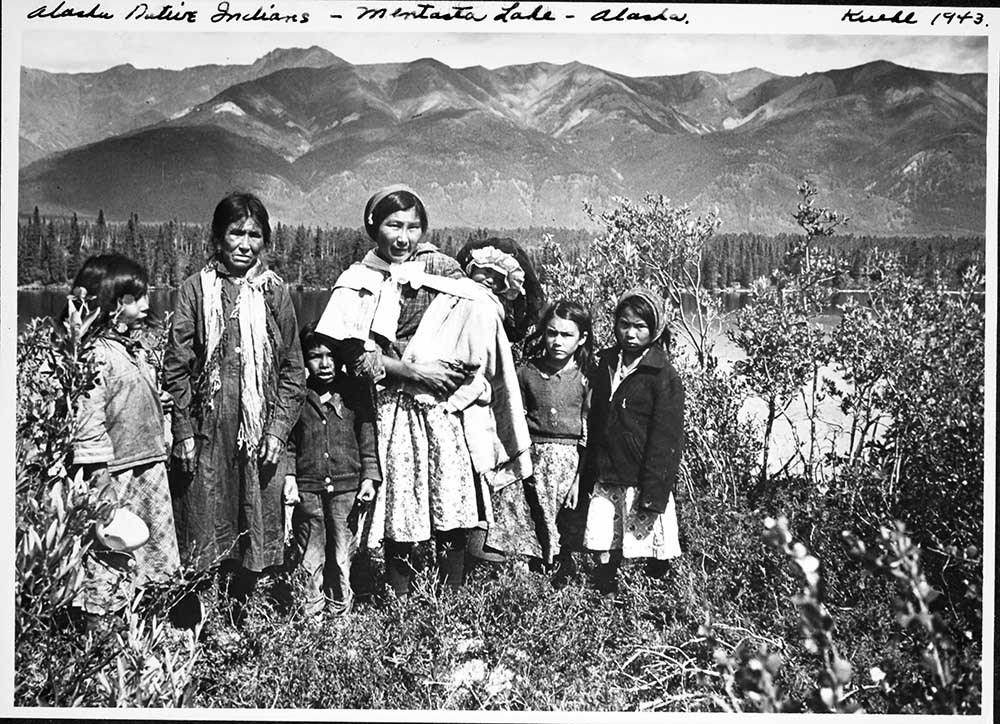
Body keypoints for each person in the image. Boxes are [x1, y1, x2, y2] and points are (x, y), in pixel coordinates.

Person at [314, 186, 485, 595]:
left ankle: (452, 599)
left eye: (413, 226)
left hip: (442, 406)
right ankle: (400, 601)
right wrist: (413, 372)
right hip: (390, 405)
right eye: (394, 225)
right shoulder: (358, 279)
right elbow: (354, 355)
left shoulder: (439, 269)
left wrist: (444, 370)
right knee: (402, 503)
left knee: (450, 496)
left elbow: (475, 317)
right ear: (375, 227)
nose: (403, 237)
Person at [163, 192, 305, 624]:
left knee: (252, 523)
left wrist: (278, 431)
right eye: (236, 233)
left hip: (258, 435)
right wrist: (184, 431)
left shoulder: (275, 294)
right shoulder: (195, 290)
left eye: (254, 235)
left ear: (265, 241)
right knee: (205, 521)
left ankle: (237, 615)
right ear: (217, 237)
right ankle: (198, 623)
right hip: (208, 434)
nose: (245, 244)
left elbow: (293, 370)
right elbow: (177, 368)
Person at [69, 254, 181, 617]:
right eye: (137, 298)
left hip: (146, 466)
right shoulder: (95, 355)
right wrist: (100, 480)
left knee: (147, 558)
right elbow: (89, 420)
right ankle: (102, 638)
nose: (147, 305)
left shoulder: (129, 348)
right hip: (116, 474)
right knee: (111, 555)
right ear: (112, 303)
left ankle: (143, 631)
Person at [583, 288, 684, 598]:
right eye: (624, 324)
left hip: (640, 477)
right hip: (607, 473)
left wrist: (654, 494)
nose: (630, 333)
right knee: (605, 545)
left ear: (654, 328)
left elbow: (666, 440)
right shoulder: (606, 363)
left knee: (652, 550)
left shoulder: (663, 375)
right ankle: (606, 603)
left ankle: (656, 606)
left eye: (640, 326)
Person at [285, 322, 380, 619]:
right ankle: (311, 611)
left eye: (330, 355)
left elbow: (367, 437)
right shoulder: (297, 394)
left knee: (341, 552)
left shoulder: (354, 391)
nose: (324, 364)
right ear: (304, 359)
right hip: (308, 486)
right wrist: (289, 476)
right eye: (315, 356)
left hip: (346, 487)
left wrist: (369, 477)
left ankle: (340, 610)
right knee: (310, 552)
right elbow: (288, 441)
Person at [490, 300, 592, 568]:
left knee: (564, 525)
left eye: (567, 335)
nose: (558, 341)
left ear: (582, 339)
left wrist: (579, 478)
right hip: (533, 461)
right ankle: (522, 578)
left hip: (568, 467)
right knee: (526, 519)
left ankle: (560, 577)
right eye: (552, 333)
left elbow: (587, 433)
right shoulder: (527, 372)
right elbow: (513, 420)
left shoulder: (586, 377)